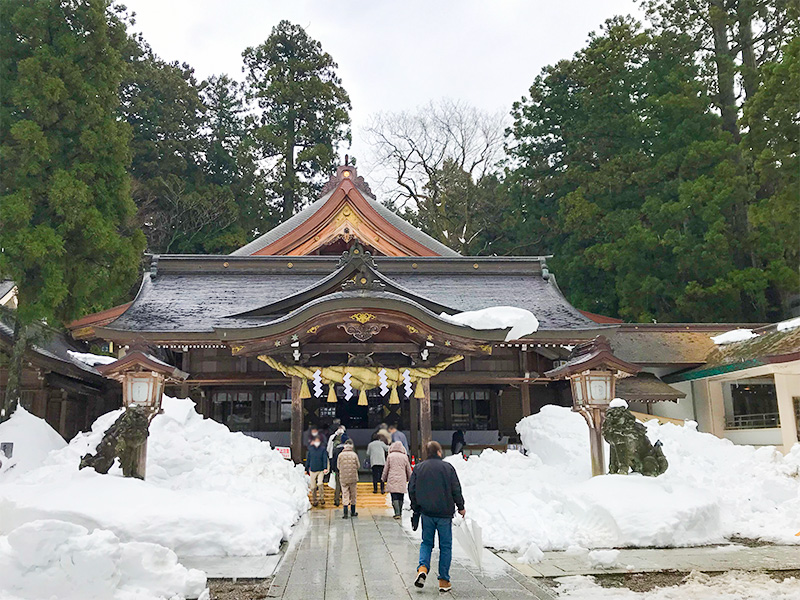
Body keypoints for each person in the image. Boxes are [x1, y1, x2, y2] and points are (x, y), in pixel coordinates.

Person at [409, 441, 465, 593]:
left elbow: (412, 489)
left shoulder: (419, 468)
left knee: (426, 543)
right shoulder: (448, 468)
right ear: (439, 452)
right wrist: (461, 507)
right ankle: (443, 580)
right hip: (444, 514)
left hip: (427, 513)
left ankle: (422, 568)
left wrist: (416, 508)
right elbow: (456, 489)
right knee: (445, 546)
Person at [382, 441, 412, 519]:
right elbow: (408, 469)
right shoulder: (405, 457)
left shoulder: (390, 456)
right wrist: (410, 478)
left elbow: (386, 468)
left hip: (392, 478)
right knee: (400, 495)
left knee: (394, 496)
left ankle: (397, 512)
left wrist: (383, 477)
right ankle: (400, 512)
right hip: (402, 478)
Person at [336, 439, 360, 518]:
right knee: (353, 494)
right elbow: (358, 466)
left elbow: (338, 466)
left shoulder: (340, 455)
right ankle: (353, 512)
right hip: (353, 478)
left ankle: (345, 513)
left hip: (343, 478)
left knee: (345, 494)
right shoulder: (354, 455)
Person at [305, 436, 328, 507]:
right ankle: (314, 500)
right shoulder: (310, 450)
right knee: (313, 486)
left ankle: (321, 498)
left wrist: (325, 468)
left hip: (320, 469)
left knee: (320, 483)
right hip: (312, 470)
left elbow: (325, 459)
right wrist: (306, 469)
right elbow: (308, 460)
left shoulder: (323, 449)